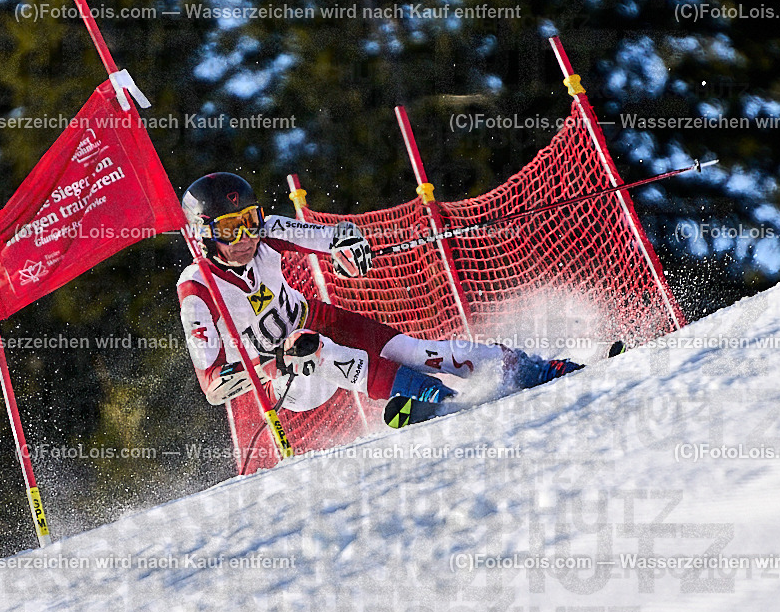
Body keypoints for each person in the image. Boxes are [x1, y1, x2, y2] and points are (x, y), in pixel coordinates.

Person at [176, 172, 582, 428]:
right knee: (313, 347)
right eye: (230, 229)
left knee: (413, 349)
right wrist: (275, 362)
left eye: (250, 220)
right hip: (285, 381)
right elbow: (213, 387)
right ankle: (437, 398)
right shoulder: (197, 291)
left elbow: (331, 235)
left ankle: (532, 370)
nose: (246, 236)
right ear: (203, 234)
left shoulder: (264, 230)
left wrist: (350, 247)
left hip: (317, 318)